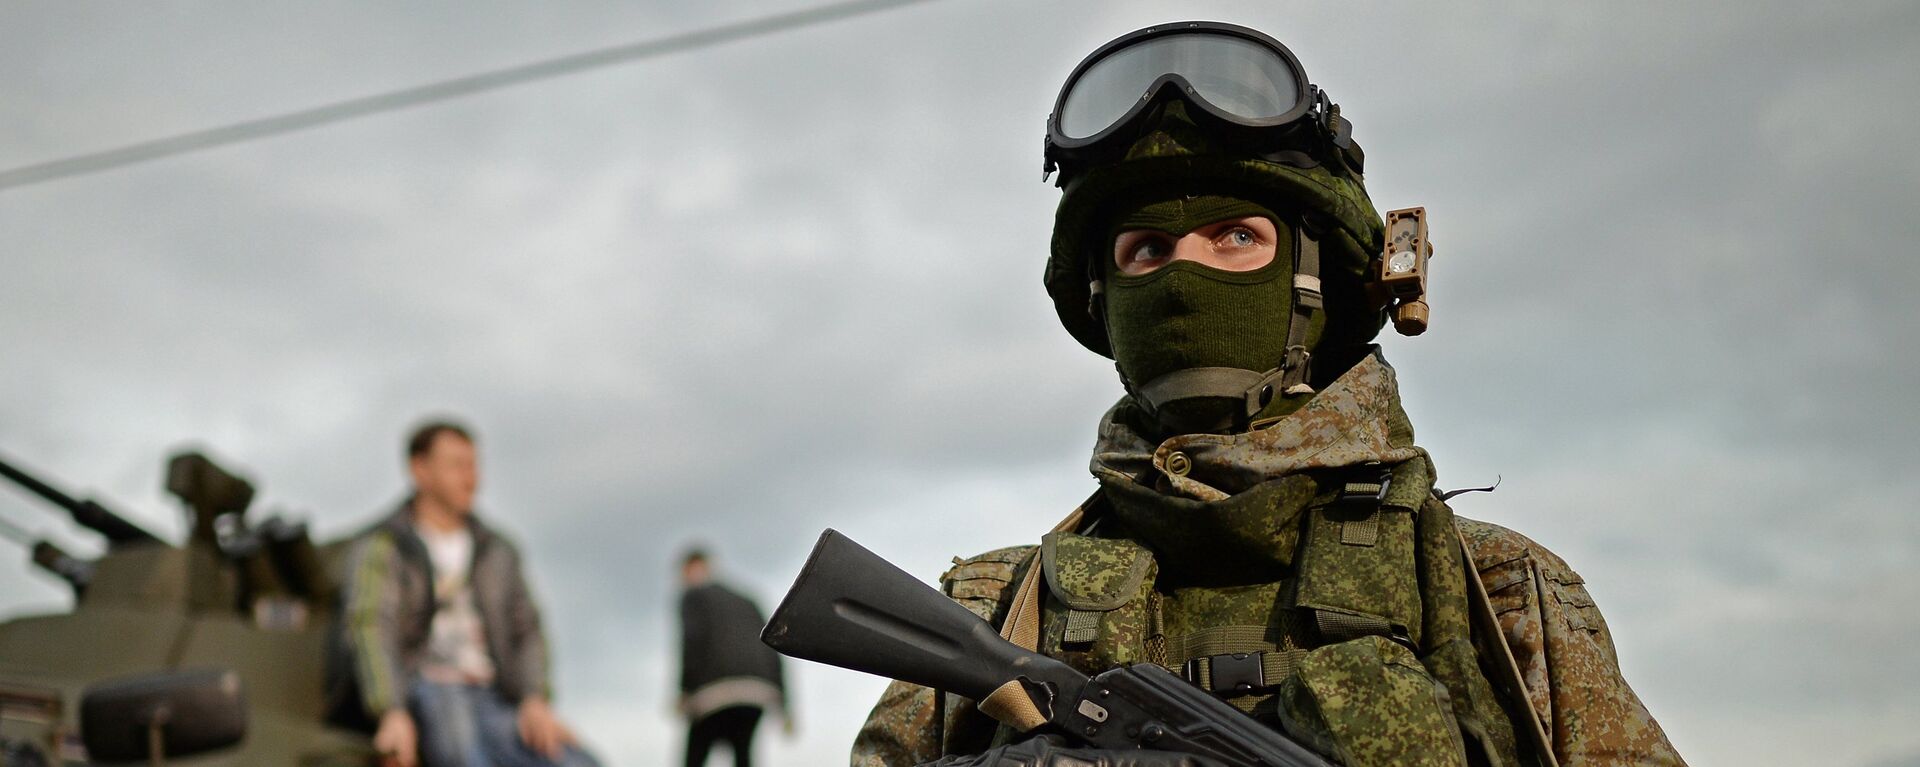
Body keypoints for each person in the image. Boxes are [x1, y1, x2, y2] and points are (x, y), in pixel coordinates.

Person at [851, 21, 1684, 767]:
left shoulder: (1491, 592)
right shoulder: (998, 606)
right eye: (1145, 249)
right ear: (1104, 299)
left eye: (1236, 237)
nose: (1184, 277)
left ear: (1314, 283)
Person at [343, 420, 600, 767]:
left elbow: (526, 628)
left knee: (575, 762)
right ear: (420, 470)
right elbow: (372, 626)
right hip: (428, 687)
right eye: (456, 466)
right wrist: (391, 711)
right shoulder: (386, 547)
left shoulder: (497, 550)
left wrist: (535, 699)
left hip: (495, 696)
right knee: (463, 755)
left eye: (473, 465)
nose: (471, 477)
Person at [677, 548, 790, 767]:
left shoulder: (693, 595)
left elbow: (693, 640)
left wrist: (684, 690)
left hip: (713, 692)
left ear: (692, 568)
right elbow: (773, 647)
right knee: (743, 754)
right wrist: (785, 702)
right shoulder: (748, 600)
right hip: (758, 691)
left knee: (695, 756)